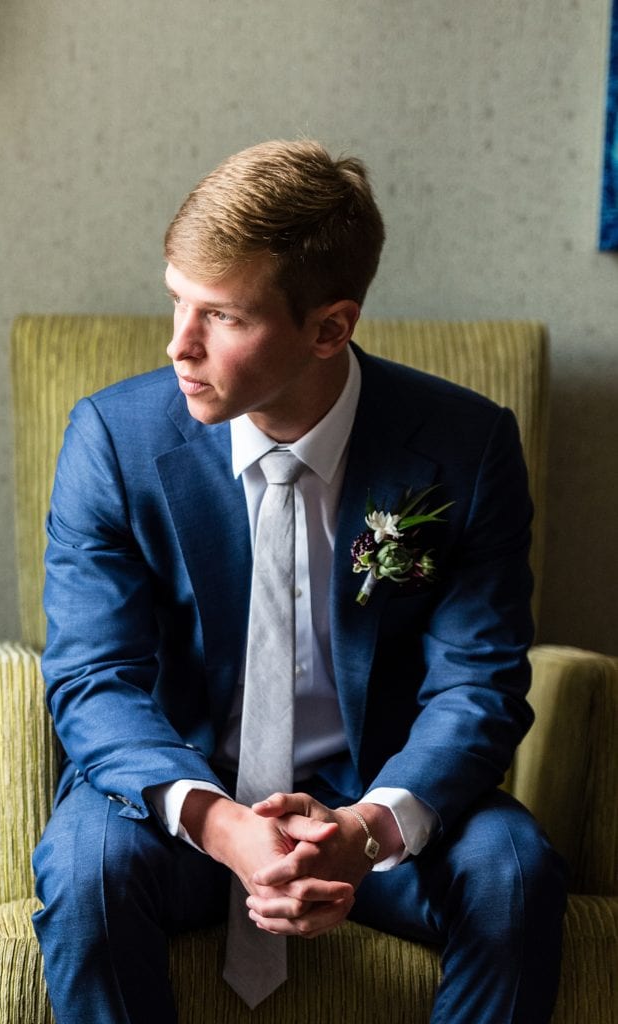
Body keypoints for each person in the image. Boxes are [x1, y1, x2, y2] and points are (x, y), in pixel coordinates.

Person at [32, 139, 566, 1023]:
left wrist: (365, 829)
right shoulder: (113, 441)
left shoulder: (465, 449)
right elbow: (94, 678)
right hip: (178, 805)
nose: (179, 345)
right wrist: (222, 824)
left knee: (514, 871)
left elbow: (480, 684)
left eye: (223, 318)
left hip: (375, 801)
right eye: (177, 303)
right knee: (85, 865)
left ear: (330, 328)